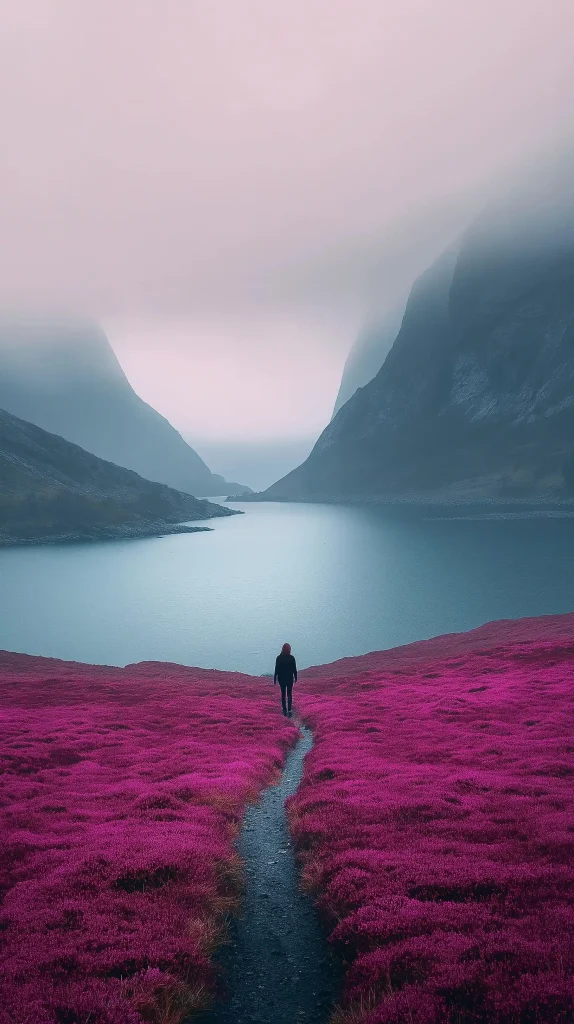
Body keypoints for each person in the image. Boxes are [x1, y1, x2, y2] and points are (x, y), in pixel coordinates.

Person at [274, 642, 297, 717]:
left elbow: (276, 669)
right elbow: (294, 669)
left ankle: (284, 710)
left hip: (281, 679)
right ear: (289, 649)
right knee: (289, 694)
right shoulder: (292, 658)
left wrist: (275, 678)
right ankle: (289, 710)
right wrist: (296, 677)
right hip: (289, 679)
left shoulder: (279, 658)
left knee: (283, 694)